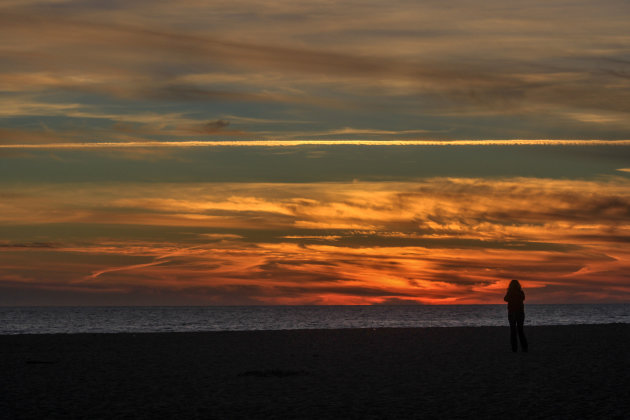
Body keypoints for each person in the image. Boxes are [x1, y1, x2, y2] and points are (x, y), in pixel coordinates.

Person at [504, 279, 528, 352]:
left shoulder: (510, 292)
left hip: (513, 313)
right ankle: (524, 348)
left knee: (513, 331)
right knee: (520, 330)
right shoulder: (520, 292)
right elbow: (523, 298)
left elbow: (505, 299)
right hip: (519, 313)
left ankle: (515, 349)